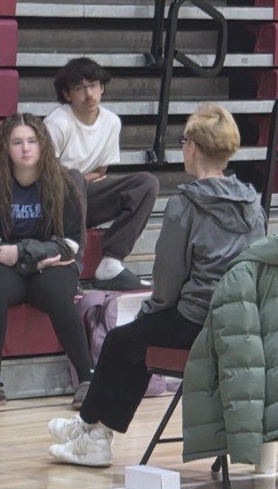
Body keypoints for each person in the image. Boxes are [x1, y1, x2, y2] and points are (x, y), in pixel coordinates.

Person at [47, 104, 266, 466]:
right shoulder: (252, 204)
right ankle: (92, 433)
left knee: (123, 339)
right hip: (239, 322)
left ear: (192, 146)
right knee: (136, 341)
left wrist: (149, 311)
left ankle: (90, 430)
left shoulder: (187, 204)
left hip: (198, 321)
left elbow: (167, 282)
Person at [0, 113, 94, 410]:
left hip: (50, 267)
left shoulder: (65, 183)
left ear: (43, 145)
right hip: (12, 269)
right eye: (17, 142)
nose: (25, 149)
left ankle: (87, 379)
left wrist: (22, 253)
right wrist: (34, 260)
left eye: (32, 141)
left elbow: (72, 243)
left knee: (58, 290)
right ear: (5, 148)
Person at [44, 57, 159, 292]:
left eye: (94, 85)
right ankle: (70, 264)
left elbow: (101, 170)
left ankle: (111, 263)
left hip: (85, 199)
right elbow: (44, 174)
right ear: (67, 95)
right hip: (52, 205)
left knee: (146, 183)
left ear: (102, 87)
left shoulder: (111, 122)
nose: (89, 94)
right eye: (79, 88)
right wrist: (76, 180)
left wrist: (78, 181)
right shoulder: (57, 123)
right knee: (73, 177)